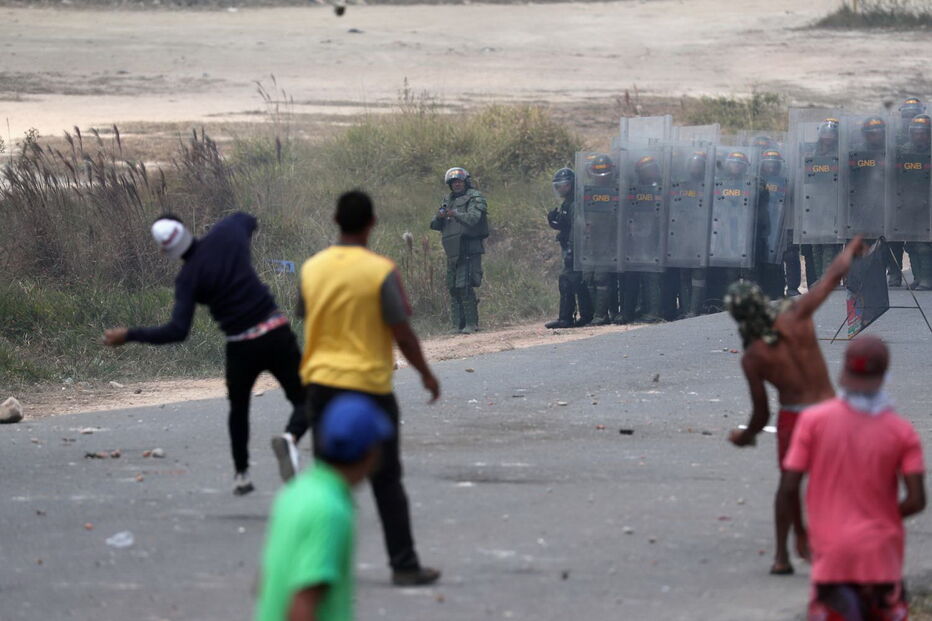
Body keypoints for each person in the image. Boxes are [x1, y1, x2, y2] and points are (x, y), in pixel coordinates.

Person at [102, 213, 308, 496]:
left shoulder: (187, 279)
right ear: (186, 228)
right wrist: (240, 243)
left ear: (165, 251)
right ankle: (291, 436)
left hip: (240, 346)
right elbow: (249, 219)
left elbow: (177, 331)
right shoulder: (226, 233)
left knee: (239, 410)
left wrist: (130, 335)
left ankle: (241, 474)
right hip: (274, 332)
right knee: (305, 398)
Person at [300, 190, 441, 586]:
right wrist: (426, 374)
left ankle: (317, 568)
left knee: (326, 481)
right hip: (369, 387)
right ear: (372, 223)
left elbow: (307, 313)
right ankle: (404, 565)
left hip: (323, 386)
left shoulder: (313, 268)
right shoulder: (380, 270)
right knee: (387, 480)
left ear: (335, 220)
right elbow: (403, 333)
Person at [725, 235, 865, 575]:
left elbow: (761, 413)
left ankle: (782, 555)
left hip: (795, 418)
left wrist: (746, 436)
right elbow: (830, 279)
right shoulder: (797, 315)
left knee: (789, 483)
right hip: (830, 413)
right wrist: (849, 251)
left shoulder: (753, 356)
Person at [779, 336, 926, 620]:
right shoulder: (901, 431)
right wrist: (882, 519)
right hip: (881, 556)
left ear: (843, 373)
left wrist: (800, 532)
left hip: (832, 554)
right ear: (883, 376)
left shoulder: (814, 421)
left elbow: (788, 487)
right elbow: (917, 500)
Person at [255, 393, 394, 621]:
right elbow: (302, 605)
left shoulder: (296, 491)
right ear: (372, 453)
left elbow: (265, 580)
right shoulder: (331, 511)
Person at [430, 167, 489, 334]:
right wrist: (439, 216)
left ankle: (472, 324)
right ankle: (457, 325)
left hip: (469, 247)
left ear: (465, 182)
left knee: (465, 285)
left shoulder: (475, 197)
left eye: (459, 181)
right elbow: (434, 225)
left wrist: (454, 213)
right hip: (453, 249)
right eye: (453, 182)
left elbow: (473, 219)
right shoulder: (448, 200)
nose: (456, 184)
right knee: (453, 287)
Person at [546, 167, 593, 329]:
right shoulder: (568, 202)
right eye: (557, 186)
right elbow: (566, 226)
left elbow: (577, 228)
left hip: (577, 248)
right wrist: (554, 222)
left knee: (566, 281)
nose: (560, 189)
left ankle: (566, 318)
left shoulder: (576, 202)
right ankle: (586, 315)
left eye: (563, 185)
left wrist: (572, 250)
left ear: (571, 184)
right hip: (571, 247)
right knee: (578, 283)